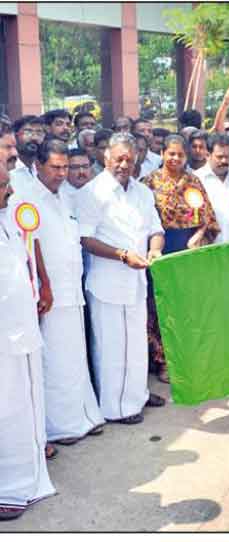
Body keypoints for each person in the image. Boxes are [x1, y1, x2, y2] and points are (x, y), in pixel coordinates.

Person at [8, 139, 105, 446]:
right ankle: (61, 426)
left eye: (66, 167)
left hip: (72, 288)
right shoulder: (24, 198)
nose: (62, 173)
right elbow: (29, 244)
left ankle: (82, 416)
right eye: (56, 167)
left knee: (75, 357)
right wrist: (44, 285)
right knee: (55, 361)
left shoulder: (66, 196)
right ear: (38, 166)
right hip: (49, 293)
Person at [75, 133, 167, 424]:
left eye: (129, 159)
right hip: (108, 281)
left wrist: (154, 251)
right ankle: (117, 408)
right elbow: (85, 239)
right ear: (106, 158)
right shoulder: (91, 193)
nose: (124, 164)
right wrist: (123, 255)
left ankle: (137, 395)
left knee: (136, 343)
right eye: (118, 159)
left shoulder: (142, 192)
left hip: (138, 280)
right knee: (112, 346)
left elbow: (156, 229)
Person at [0, 160, 56, 521]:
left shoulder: (8, 217)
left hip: (21, 327)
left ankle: (29, 479)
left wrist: (42, 285)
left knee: (25, 404)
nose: (9, 191)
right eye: (4, 185)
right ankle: (10, 486)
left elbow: (26, 254)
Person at [142, 135, 220, 382]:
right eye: (170, 153)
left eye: (180, 154)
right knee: (160, 307)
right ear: (163, 154)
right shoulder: (149, 182)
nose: (175, 158)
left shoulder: (193, 181)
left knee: (187, 307)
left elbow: (209, 218)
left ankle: (188, 357)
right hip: (161, 249)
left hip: (188, 252)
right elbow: (142, 221)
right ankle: (163, 360)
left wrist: (198, 236)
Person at [10, 116, 40, 184]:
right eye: (28, 132)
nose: (34, 138)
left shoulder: (41, 170)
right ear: (15, 136)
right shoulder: (8, 170)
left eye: (39, 133)